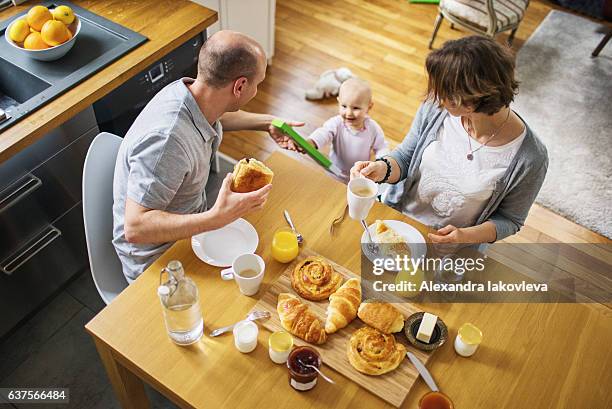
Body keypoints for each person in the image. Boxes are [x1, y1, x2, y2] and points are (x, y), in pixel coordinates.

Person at [112, 30, 302, 280]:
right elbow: (136, 228)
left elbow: (218, 115)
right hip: (160, 259)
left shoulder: (193, 93)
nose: (257, 90)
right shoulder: (168, 142)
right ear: (240, 86)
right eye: (258, 83)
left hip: (194, 219)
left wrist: (269, 122)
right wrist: (215, 218)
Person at [350, 36, 548, 244]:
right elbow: (406, 157)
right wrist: (380, 169)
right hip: (397, 221)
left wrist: (464, 237)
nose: (435, 96)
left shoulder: (531, 158)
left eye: (443, 92)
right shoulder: (434, 110)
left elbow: (510, 220)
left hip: (449, 249)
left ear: (469, 101)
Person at [306, 77, 388, 182]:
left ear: (369, 106)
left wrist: (382, 163)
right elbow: (324, 132)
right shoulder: (336, 123)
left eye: (355, 108)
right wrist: (312, 141)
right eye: (344, 106)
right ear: (338, 102)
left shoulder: (373, 128)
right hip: (334, 172)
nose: (348, 113)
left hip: (359, 174)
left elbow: (381, 147)